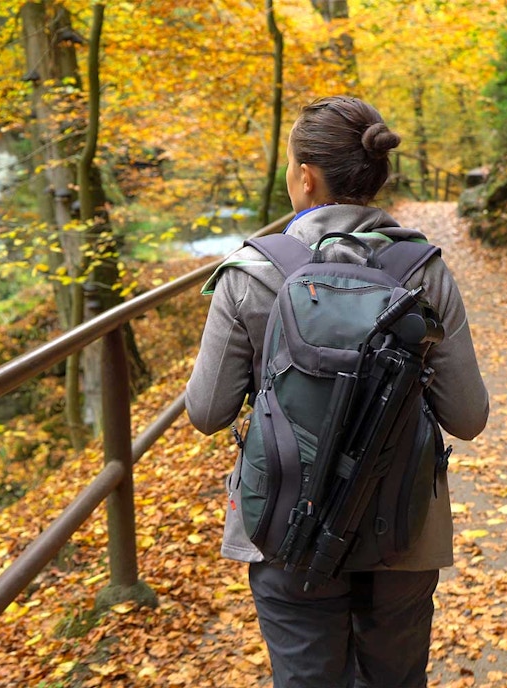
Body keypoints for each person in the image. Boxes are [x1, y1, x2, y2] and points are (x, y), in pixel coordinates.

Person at [185, 95, 488, 688]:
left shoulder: (251, 273)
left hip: (283, 524)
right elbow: (468, 415)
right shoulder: (423, 270)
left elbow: (206, 410)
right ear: (374, 175)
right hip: (403, 529)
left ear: (305, 174)